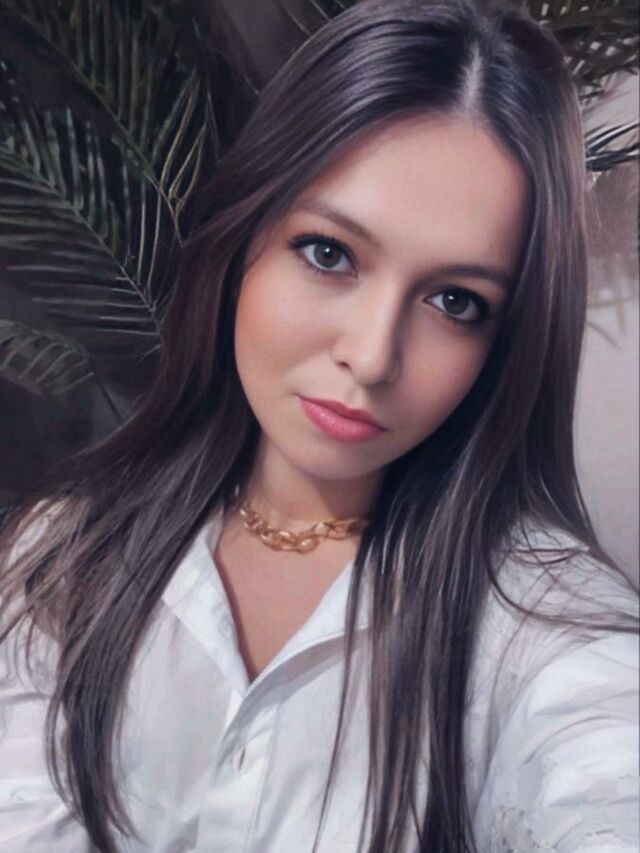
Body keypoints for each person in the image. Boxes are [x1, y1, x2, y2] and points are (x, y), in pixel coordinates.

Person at [0, 0, 638, 851]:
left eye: (456, 301)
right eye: (329, 253)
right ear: (245, 239)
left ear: (506, 341)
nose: (371, 357)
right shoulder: (65, 555)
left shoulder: (539, 625)